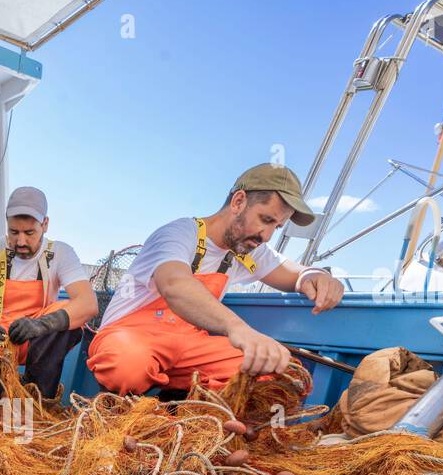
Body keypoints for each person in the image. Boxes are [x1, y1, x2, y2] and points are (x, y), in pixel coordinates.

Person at [87, 164, 345, 398]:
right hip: (131, 336)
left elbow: (297, 274)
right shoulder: (179, 233)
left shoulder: (248, 249)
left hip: (189, 347)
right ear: (239, 201)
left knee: (281, 375)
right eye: (265, 219)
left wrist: (316, 276)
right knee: (129, 365)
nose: (266, 236)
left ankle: (181, 415)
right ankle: (118, 409)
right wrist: (239, 329)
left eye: (276, 227)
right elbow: (174, 285)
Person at [0, 187, 98, 399]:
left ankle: (39, 395)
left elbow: (89, 304)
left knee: (70, 313)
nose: (21, 242)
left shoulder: (60, 253)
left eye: (29, 233)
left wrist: (39, 325)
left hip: (35, 338)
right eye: (14, 232)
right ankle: (10, 395)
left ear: (44, 224)